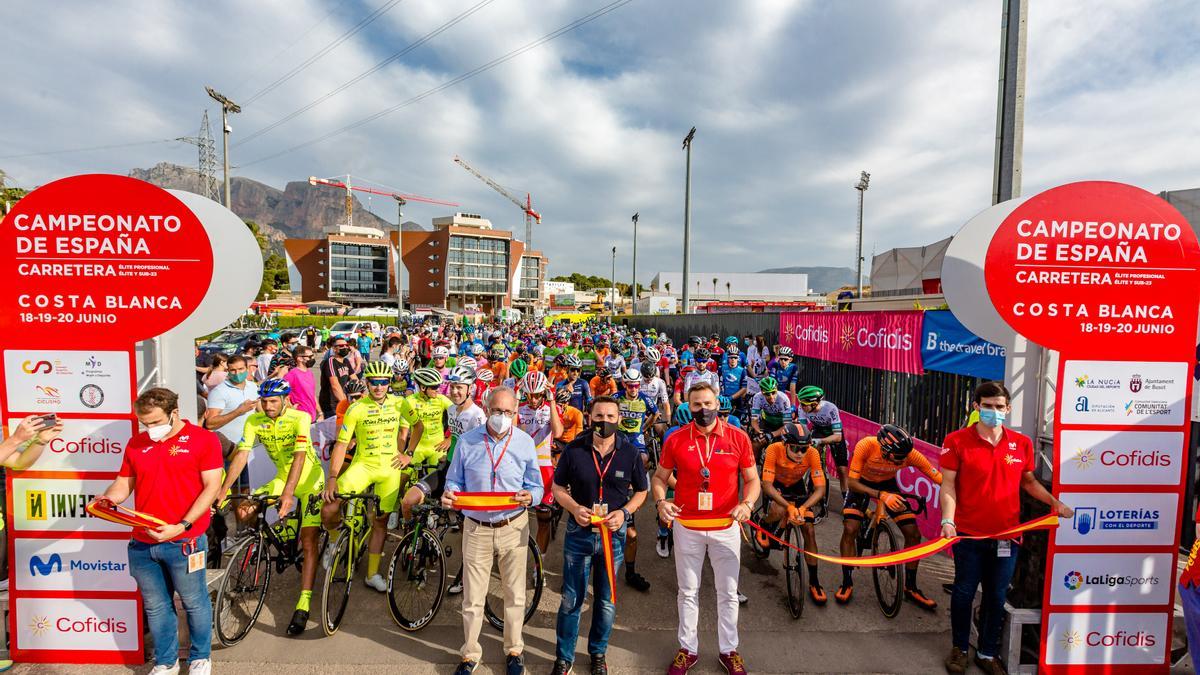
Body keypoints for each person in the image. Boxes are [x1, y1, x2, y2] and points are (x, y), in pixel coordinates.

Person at [940, 382, 1073, 675]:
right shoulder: (957, 441)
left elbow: (1028, 482)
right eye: (987, 406)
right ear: (976, 407)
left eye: (1000, 407)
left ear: (1008, 409)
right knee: (963, 592)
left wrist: (1055, 503)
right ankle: (960, 649)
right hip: (968, 535)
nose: (994, 412)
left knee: (997, 596)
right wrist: (947, 520)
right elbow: (948, 485)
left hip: (1007, 538)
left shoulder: (1021, 443)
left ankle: (987, 653)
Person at [100, 388, 223, 675]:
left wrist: (182, 526)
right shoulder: (136, 444)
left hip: (184, 541)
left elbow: (212, 487)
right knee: (156, 607)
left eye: (155, 422)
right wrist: (108, 499)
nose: (150, 429)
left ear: (174, 413)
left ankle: (200, 658)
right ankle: (165, 662)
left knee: (194, 603)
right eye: (145, 423)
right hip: (142, 542)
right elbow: (123, 484)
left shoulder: (203, 440)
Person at [652, 382, 759, 675]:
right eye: (696, 405)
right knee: (688, 591)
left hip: (726, 526)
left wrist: (747, 505)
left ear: (717, 404)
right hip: (688, 527)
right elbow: (660, 478)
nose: (703, 410)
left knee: (728, 592)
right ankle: (688, 649)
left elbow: (752, 480)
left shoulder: (738, 437)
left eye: (708, 404)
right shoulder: (675, 439)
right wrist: (662, 503)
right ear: (688, 407)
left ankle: (729, 650)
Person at [442, 387, 543, 675]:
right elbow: (454, 481)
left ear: (516, 412)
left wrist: (531, 497)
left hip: (514, 526)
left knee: (514, 594)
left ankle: (514, 650)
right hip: (477, 528)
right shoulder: (467, 442)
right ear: (487, 409)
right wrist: (450, 494)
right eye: (498, 411)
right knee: (473, 597)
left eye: (509, 412)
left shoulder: (524, 442)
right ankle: (470, 654)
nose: (502, 417)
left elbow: (536, 485)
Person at [220, 379, 326, 636]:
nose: (268, 406)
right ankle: (272, 537)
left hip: (309, 480)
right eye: (265, 401)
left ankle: (303, 603)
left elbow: (300, 456)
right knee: (245, 511)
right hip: (282, 477)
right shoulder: (254, 421)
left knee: (309, 539)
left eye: (273, 401)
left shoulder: (300, 417)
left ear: (285, 399)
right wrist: (223, 491)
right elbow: (242, 455)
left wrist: (288, 494)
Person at [551, 396, 648, 675]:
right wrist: (574, 507)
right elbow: (558, 488)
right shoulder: (574, 450)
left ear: (618, 419)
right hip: (579, 533)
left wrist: (625, 514)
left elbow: (642, 491)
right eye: (599, 416)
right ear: (589, 416)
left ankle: (597, 653)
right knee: (572, 598)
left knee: (606, 600)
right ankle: (564, 658)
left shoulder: (629, 452)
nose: (604, 421)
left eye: (610, 416)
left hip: (612, 535)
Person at [321, 361, 408, 593]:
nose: (379, 387)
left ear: (389, 384)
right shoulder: (356, 408)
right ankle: (333, 539)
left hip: (389, 469)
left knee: (379, 522)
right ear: (367, 383)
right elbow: (341, 444)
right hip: (362, 466)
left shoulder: (401, 403)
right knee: (328, 508)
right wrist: (332, 478)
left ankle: (371, 574)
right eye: (374, 383)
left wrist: (407, 454)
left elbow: (416, 426)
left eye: (383, 383)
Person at [837, 424, 941, 609]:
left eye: (905, 457)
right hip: (861, 484)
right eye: (899, 458)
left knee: (913, 533)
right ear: (885, 449)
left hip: (888, 484)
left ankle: (911, 586)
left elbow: (938, 477)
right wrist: (880, 496)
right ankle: (846, 582)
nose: (903, 461)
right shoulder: (866, 445)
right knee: (850, 528)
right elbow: (851, 483)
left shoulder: (908, 454)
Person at [757, 423, 826, 604]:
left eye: (804, 449)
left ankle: (814, 581)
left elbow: (819, 490)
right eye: (795, 448)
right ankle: (764, 524)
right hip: (776, 483)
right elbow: (767, 486)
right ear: (786, 444)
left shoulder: (812, 453)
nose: (800, 453)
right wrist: (788, 506)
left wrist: (803, 508)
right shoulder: (774, 449)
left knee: (809, 532)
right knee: (779, 509)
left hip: (796, 485)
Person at [615, 368, 657, 592]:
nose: (633, 389)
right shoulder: (616, 398)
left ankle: (630, 572)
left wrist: (646, 427)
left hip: (636, 437)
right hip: (618, 436)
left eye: (636, 385)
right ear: (624, 385)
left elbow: (656, 413)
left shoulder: (646, 399)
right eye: (630, 386)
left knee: (642, 458)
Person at [517, 370, 564, 554]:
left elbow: (558, 432)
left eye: (537, 395)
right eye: (529, 395)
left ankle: (540, 563)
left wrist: (552, 402)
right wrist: (516, 400)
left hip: (544, 466)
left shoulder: (552, 408)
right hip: (521, 465)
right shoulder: (520, 408)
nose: (533, 400)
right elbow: (511, 431)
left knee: (543, 518)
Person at [795, 386, 848, 509]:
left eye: (804, 404)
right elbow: (803, 429)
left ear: (814, 404)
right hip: (818, 429)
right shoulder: (802, 408)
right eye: (801, 403)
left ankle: (847, 500)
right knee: (811, 455)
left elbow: (838, 437)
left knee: (842, 470)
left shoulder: (830, 408)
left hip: (833, 433)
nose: (801, 406)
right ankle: (813, 485)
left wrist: (820, 441)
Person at [203, 355, 259, 457]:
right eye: (233, 370)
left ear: (247, 368)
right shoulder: (219, 391)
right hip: (229, 449)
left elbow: (259, 410)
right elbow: (210, 423)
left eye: (241, 369)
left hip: (251, 446)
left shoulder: (253, 386)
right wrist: (238, 411)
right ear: (227, 370)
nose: (237, 373)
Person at [319, 337, 357, 419]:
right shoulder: (330, 362)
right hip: (331, 404)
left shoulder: (346, 361)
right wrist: (345, 404)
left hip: (343, 399)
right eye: (341, 346)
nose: (345, 347)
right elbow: (335, 385)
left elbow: (355, 380)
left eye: (346, 345)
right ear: (334, 349)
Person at [284, 345, 320, 420]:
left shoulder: (309, 373)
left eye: (313, 356)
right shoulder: (292, 375)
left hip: (312, 416)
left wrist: (320, 412)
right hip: (299, 417)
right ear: (299, 358)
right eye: (309, 357)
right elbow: (282, 395)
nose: (312, 359)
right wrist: (290, 408)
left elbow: (312, 395)